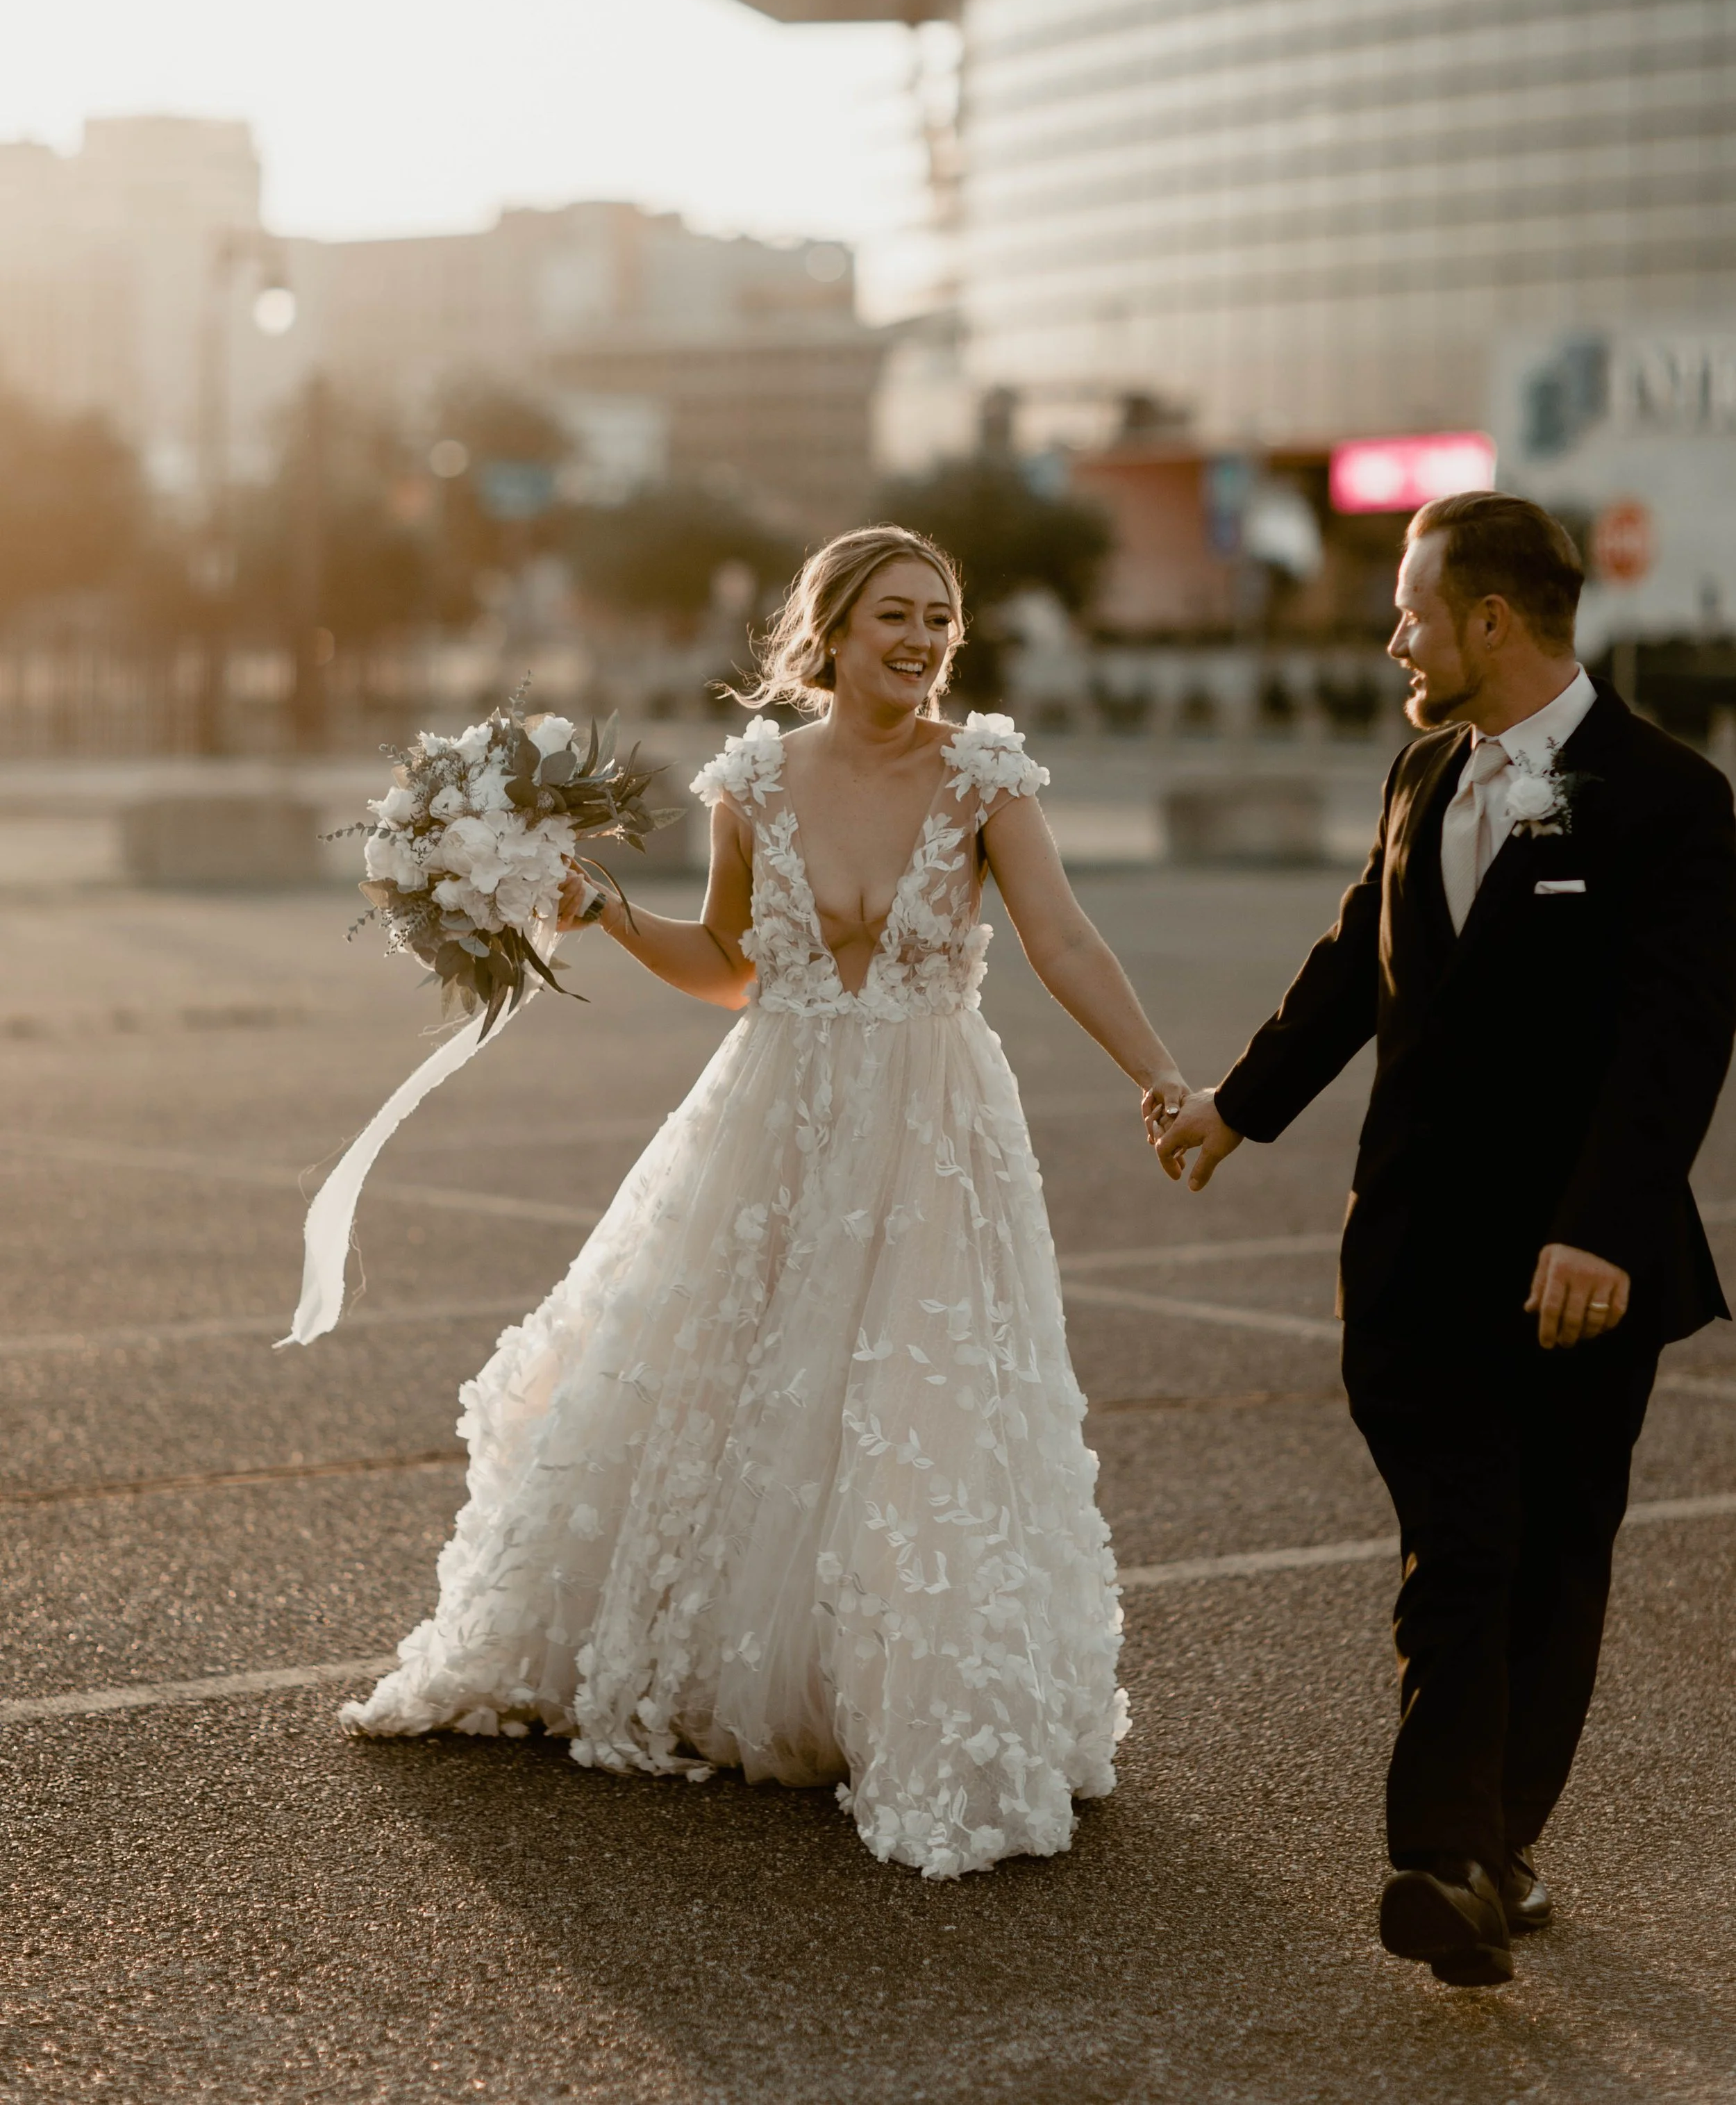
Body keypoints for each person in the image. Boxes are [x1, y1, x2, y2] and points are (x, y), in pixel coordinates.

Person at [344, 524, 1188, 1879]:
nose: (920, 642)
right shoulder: (752, 779)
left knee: (909, 1404)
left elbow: (1062, 939)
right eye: (895, 618)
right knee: (752, 1387)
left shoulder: (982, 778)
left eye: (939, 621)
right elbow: (735, 965)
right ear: (833, 631)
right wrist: (612, 915)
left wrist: (1157, 1075)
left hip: (930, 1128)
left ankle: (893, 1684)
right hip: (774, 1113)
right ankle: (745, 1664)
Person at [1157, 491, 1735, 1987]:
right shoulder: (1422, 766)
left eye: (1407, 609)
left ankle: (1486, 1854)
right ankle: (1441, 1853)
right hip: (1410, 1250)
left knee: (1552, 1558)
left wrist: (1601, 1232)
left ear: (1489, 620)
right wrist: (1235, 1107)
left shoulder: (1668, 798)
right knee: (1463, 1544)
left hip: (1576, 1270)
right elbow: (1358, 951)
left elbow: (1672, 1041)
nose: (1388, 635)